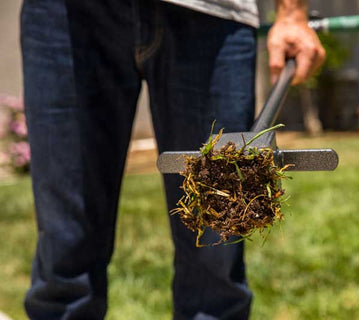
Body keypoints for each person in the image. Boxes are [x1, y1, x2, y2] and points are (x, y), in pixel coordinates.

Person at [21, 0, 325, 319]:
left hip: (211, 15)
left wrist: (291, 13)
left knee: (215, 253)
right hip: (65, 16)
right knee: (65, 251)